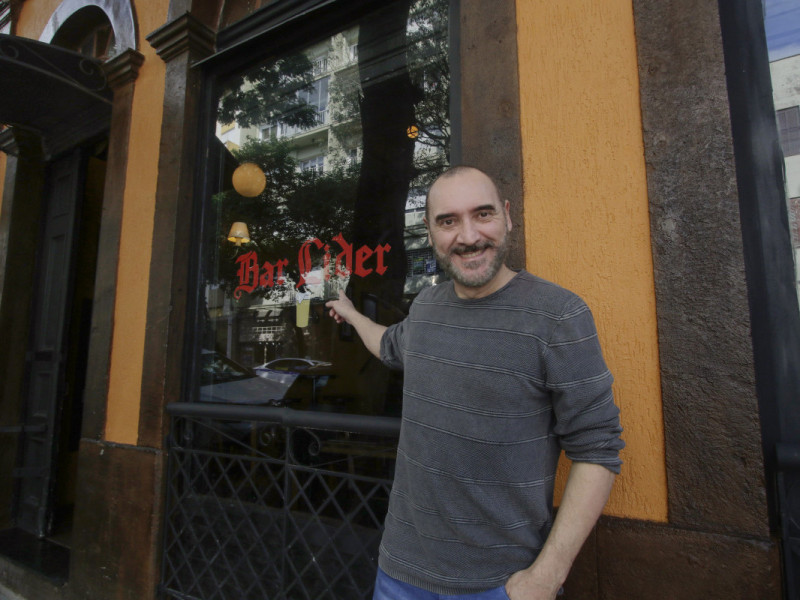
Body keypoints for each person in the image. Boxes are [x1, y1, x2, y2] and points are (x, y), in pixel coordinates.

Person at [326, 166, 624, 600]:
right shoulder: (426, 307)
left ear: (507, 216)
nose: (467, 237)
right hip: (399, 574)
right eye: (448, 221)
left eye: (482, 214)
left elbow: (598, 450)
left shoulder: (558, 315)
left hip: (499, 584)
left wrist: (546, 576)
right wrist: (352, 315)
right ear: (430, 232)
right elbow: (389, 345)